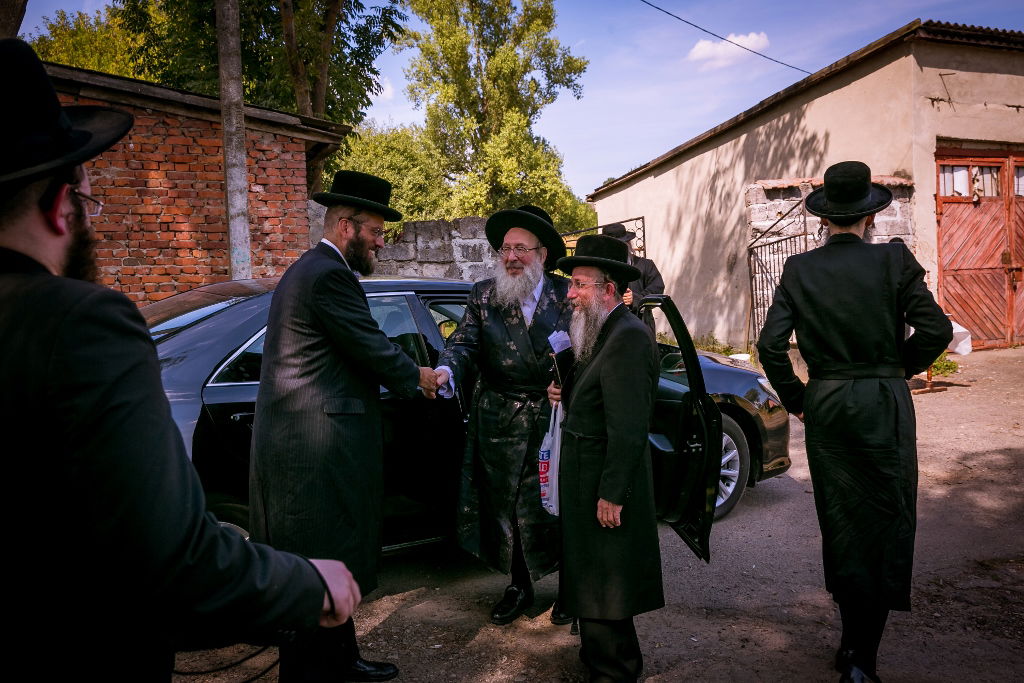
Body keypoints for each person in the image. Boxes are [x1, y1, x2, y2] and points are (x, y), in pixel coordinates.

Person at [0, 38, 362, 679]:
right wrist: (310, 585)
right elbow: (171, 554)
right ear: (61, 206)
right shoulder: (79, 323)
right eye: (91, 203)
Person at [756, 161, 953, 683]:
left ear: (825, 218)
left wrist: (799, 398)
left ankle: (851, 646)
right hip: (883, 403)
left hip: (827, 403)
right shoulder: (894, 260)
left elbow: (770, 346)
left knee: (841, 521)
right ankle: (862, 658)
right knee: (885, 520)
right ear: (870, 215)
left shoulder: (799, 268)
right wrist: (895, 369)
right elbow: (936, 330)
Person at [249, 170, 440, 682]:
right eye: (375, 231)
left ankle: (340, 658)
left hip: (307, 447)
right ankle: (311, 673)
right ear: (346, 226)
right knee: (317, 564)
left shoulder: (314, 269)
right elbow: (369, 344)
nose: (381, 242)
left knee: (327, 558)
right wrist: (419, 376)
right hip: (313, 455)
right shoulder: (328, 275)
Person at [435, 205, 572, 626]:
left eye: (521, 249)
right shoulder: (484, 295)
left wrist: (571, 387)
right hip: (500, 420)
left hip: (555, 418)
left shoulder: (568, 294)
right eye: (505, 249)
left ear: (542, 254)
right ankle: (519, 586)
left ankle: (572, 588)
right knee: (508, 508)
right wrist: (445, 371)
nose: (511, 257)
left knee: (560, 503)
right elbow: (463, 344)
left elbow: (589, 352)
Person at [546, 234, 664, 682]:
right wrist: (563, 390)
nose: (570, 294)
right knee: (590, 576)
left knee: (605, 582)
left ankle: (614, 671)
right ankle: (599, 660)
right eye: (571, 284)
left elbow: (629, 426)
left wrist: (613, 493)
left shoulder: (629, 336)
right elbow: (594, 392)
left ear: (608, 289)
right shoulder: (603, 327)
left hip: (603, 480)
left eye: (579, 284)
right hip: (586, 475)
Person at [600, 222, 664, 328]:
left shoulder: (645, 265)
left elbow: (657, 290)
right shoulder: (599, 269)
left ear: (628, 244)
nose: (615, 250)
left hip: (640, 326)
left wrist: (635, 299)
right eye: (611, 246)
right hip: (608, 327)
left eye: (619, 245)